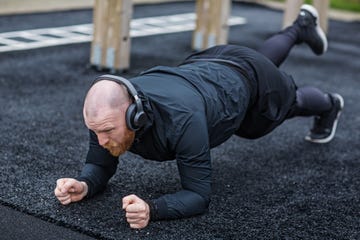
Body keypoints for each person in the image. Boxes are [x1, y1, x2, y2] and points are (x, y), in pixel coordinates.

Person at [54, 5, 344, 229]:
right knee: (259, 60)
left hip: (250, 85)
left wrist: (153, 209)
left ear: (135, 114)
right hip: (212, 64)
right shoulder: (107, 111)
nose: (100, 139)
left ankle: (330, 104)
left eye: (106, 131)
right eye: (95, 131)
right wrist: (85, 184)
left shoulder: (182, 121)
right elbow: (99, 164)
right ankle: (300, 27)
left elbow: (198, 195)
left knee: (287, 104)